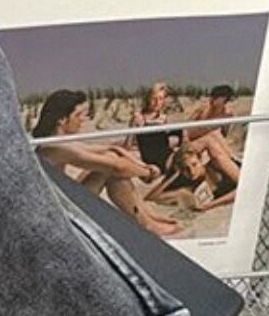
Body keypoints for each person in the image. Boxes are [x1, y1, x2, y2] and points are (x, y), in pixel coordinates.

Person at [31, 88, 181, 236]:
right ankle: (145, 223)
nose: (82, 119)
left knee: (108, 161)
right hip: (59, 214)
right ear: (62, 119)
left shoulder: (59, 141)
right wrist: (147, 172)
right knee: (110, 171)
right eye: (78, 115)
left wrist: (143, 166)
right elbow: (117, 167)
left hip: (61, 201)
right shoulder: (56, 147)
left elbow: (112, 148)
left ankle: (148, 216)